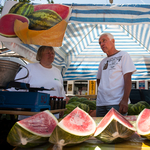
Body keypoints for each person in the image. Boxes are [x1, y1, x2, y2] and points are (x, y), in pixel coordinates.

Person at [9, 46, 66, 120]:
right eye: (48, 53)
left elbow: (61, 93)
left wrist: (62, 106)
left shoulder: (57, 72)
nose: (51, 55)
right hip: (30, 116)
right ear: (40, 55)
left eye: (52, 53)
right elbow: (15, 88)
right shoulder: (29, 68)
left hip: (53, 116)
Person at [96, 33, 136, 117]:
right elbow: (99, 79)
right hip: (101, 103)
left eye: (104, 41)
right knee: (101, 129)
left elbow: (128, 78)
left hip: (117, 103)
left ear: (113, 41)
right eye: (100, 43)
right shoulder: (102, 62)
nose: (101, 44)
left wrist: (125, 100)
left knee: (117, 129)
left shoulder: (123, 55)